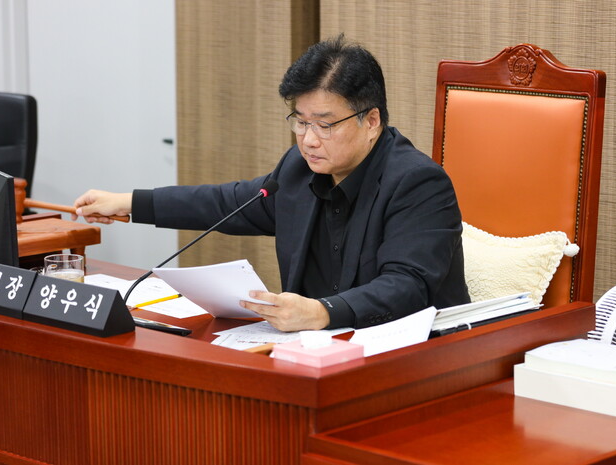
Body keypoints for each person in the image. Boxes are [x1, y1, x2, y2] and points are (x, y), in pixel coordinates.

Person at [73, 35, 470, 332]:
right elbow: (227, 203)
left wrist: (322, 312)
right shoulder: (299, 170)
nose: (308, 139)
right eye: (301, 121)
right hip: (318, 353)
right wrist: (130, 203)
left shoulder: (417, 183)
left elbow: (407, 287)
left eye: (325, 125)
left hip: (412, 355)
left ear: (371, 121)